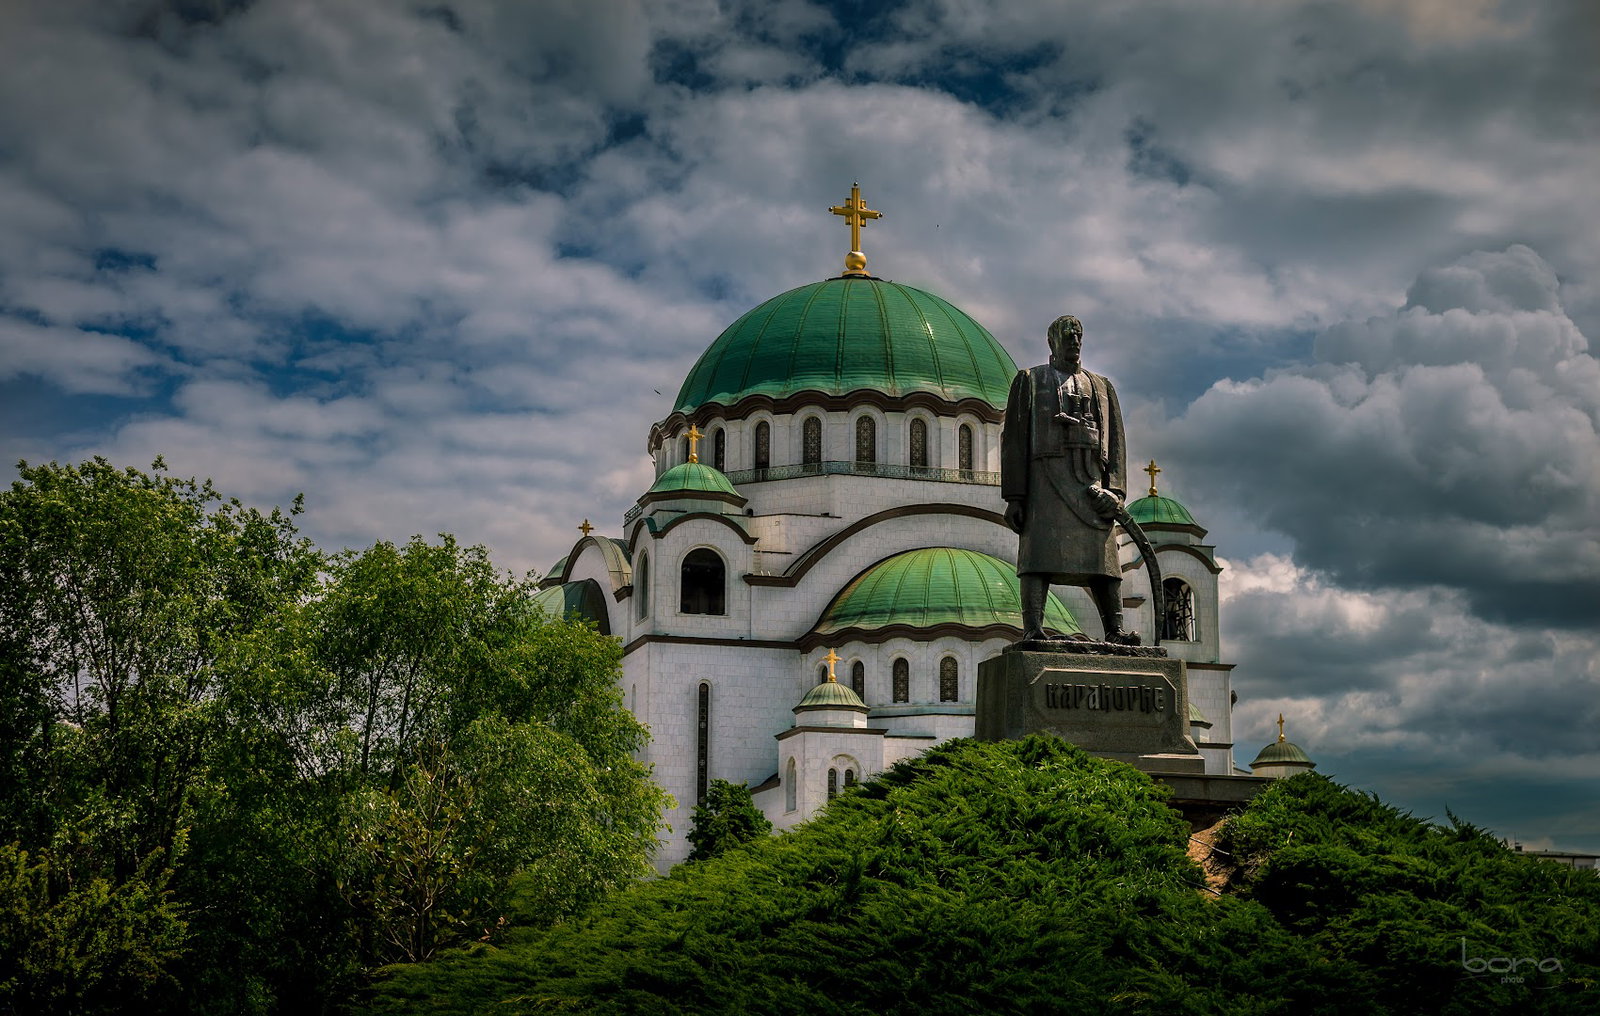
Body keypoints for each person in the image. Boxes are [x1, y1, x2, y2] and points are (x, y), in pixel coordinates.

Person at [1000, 314, 1140, 644]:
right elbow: (1015, 440)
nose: (1074, 341)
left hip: (1092, 484)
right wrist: (1016, 497)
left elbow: (1117, 443)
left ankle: (1114, 630)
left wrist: (1116, 491)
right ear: (1052, 342)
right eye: (1067, 335)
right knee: (1038, 556)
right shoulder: (1030, 380)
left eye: (1078, 335)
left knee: (1104, 561)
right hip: (1046, 482)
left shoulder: (1102, 387)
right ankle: (1033, 627)